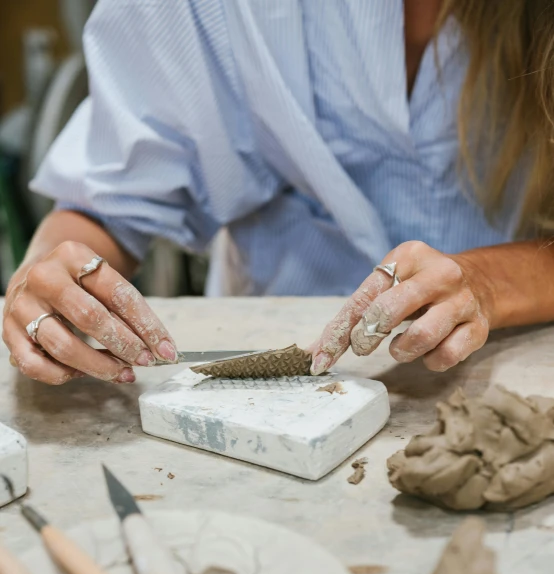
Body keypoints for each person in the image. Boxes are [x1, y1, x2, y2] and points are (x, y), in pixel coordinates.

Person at [3, 0, 554, 385]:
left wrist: (486, 284)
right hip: (265, 366)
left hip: (516, 354)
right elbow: (111, 203)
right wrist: (52, 279)